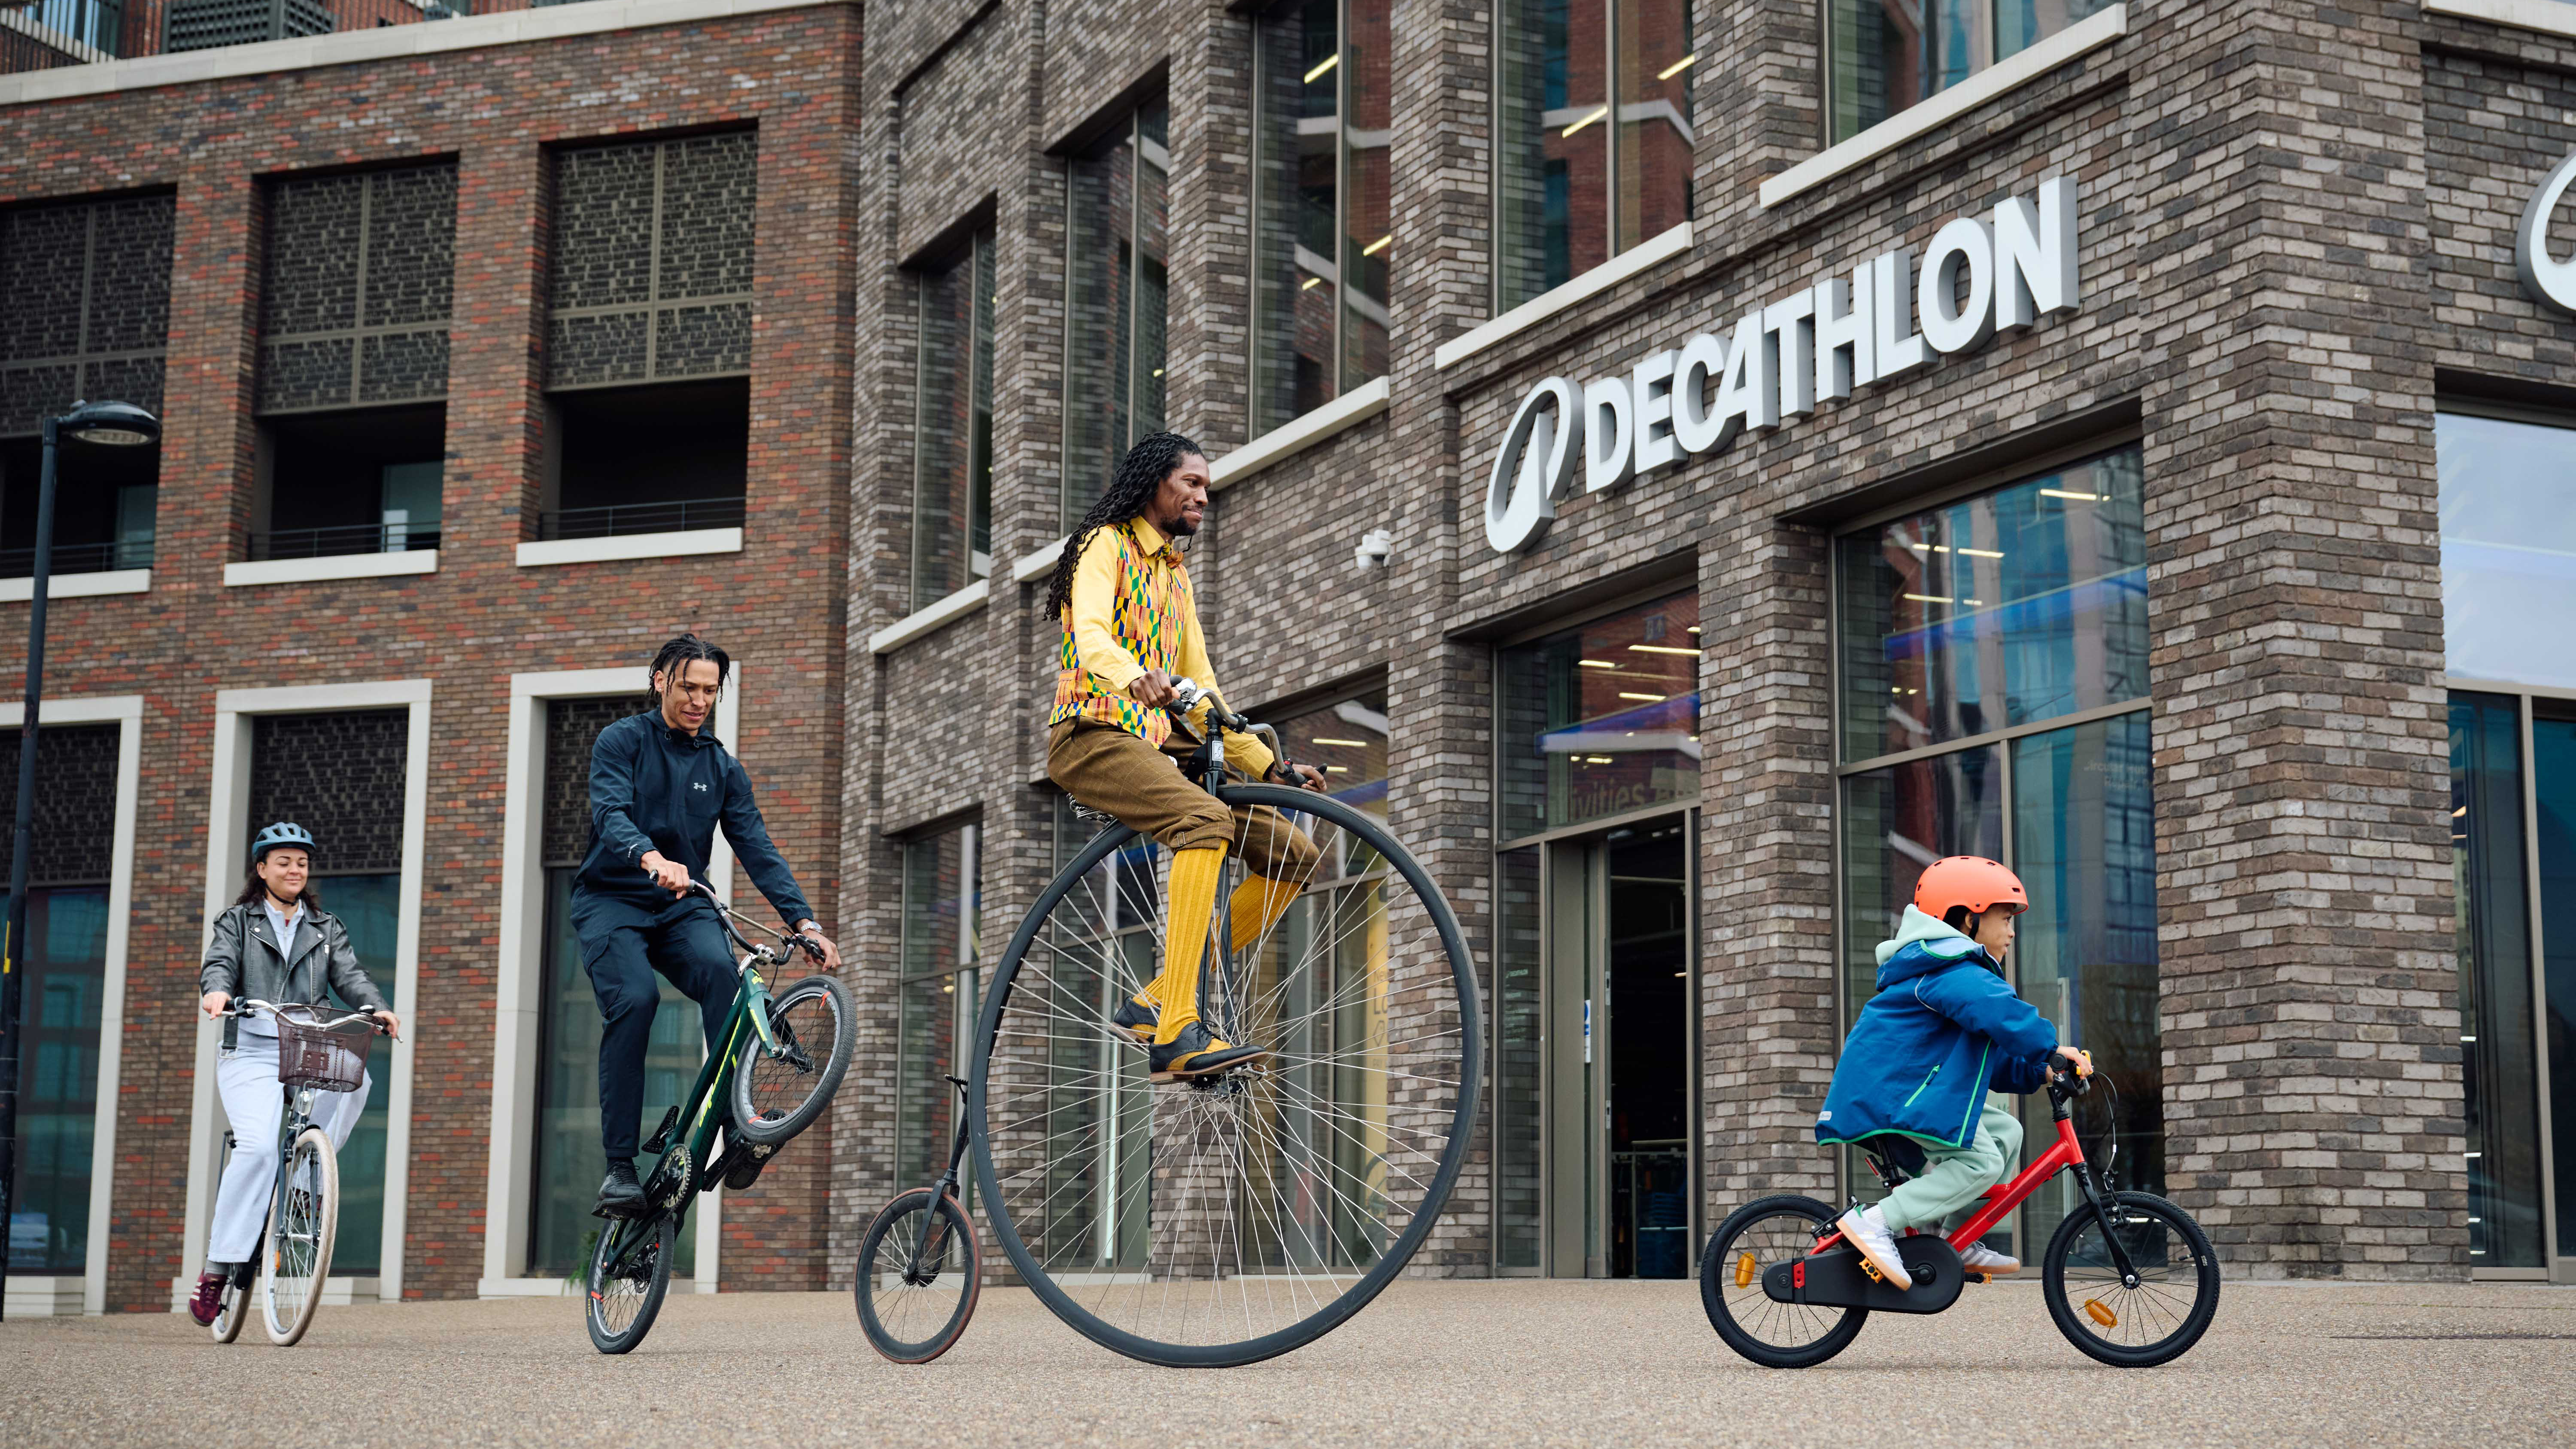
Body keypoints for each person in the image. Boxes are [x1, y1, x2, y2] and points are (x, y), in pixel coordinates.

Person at [1041, 431, 1330, 1081]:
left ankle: (1155, 995)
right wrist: (1132, 672)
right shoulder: (1104, 545)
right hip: (1094, 732)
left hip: (1161, 744)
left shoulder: (1175, 577)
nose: (1205, 494)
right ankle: (1176, 1029)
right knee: (1204, 823)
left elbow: (1204, 694)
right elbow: (1088, 635)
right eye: (1191, 483)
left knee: (1296, 855)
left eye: (1206, 485)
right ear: (1155, 485)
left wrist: (1269, 767)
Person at [574, 632, 841, 1218]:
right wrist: (650, 856)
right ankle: (619, 1167)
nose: (699, 699)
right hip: (611, 901)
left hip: (683, 904)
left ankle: (736, 1130)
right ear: (660, 680)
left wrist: (805, 921)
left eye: (710, 691)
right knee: (637, 1000)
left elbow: (757, 847)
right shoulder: (621, 742)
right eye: (689, 686)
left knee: (723, 971)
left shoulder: (721, 766)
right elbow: (610, 813)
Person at [1813, 855, 2090, 1289]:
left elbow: (1988, 1060)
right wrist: (2052, 1049)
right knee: (1980, 1161)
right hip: (1898, 1095)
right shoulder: (1944, 968)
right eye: (2004, 918)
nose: (2013, 932)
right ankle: (1874, 1221)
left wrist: (2043, 1072)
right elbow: (1998, 1011)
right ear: (1965, 919)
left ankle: (1956, 1241)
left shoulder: (1944, 972)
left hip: (1918, 1094)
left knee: (2006, 1134)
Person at [188, 822, 401, 1325]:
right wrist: (217, 992)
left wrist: (376, 1007)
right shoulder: (238, 922)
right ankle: (218, 1268)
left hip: (310, 1041)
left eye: (301, 863)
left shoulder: (326, 927)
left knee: (358, 1078)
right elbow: (219, 963)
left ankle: (308, 1176)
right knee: (259, 1148)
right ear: (262, 870)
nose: (294, 870)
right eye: (283, 862)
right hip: (254, 1050)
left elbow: (350, 974)